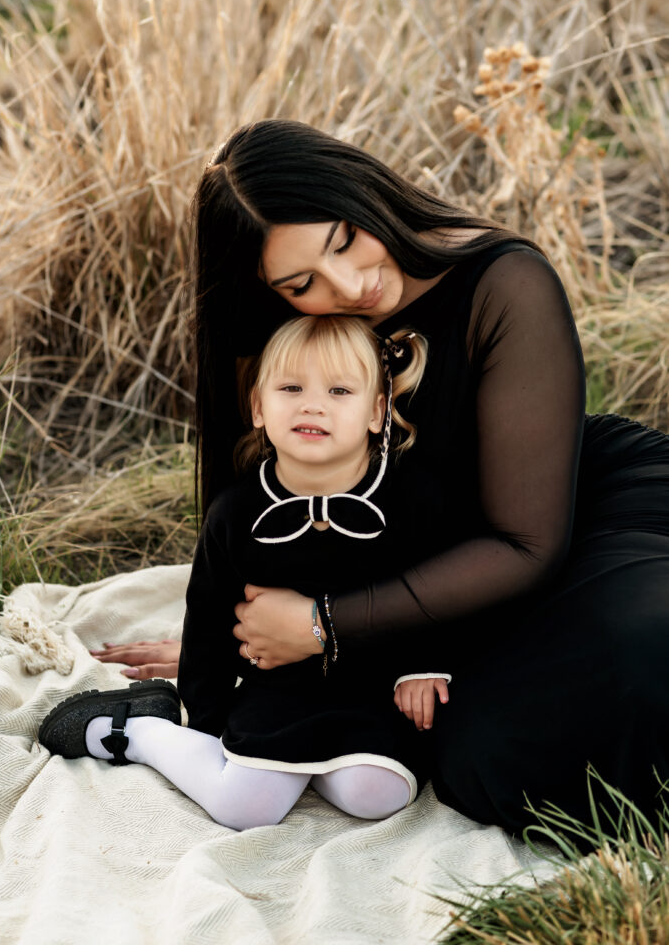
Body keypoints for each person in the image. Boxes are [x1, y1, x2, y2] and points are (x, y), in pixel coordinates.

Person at [95, 119, 669, 838]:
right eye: (302, 283)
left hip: (572, 512)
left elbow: (525, 542)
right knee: (482, 754)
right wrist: (235, 644)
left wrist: (322, 627)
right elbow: (271, 503)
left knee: (637, 659)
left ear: (363, 191)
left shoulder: (504, 281)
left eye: (344, 239)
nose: (351, 285)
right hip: (437, 559)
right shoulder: (298, 340)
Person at [39, 315, 452, 830]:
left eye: (339, 390)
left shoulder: (413, 500)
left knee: (380, 794)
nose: (312, 403)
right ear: (259, 407)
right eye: (291, 387)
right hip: (277, 687)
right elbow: (208, 620)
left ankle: (302, 762)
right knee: (246, 807)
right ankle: (138, 731)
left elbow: (440, 589)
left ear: (376, 412)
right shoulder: (236, 513)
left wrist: (424, 666)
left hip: (371, 688)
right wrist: (203, 723)